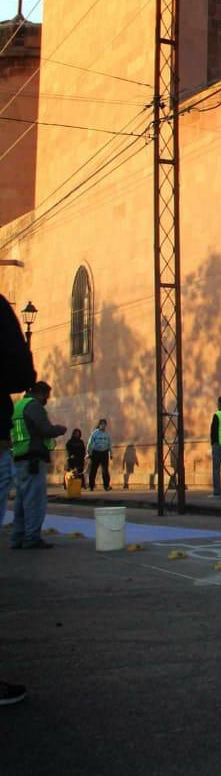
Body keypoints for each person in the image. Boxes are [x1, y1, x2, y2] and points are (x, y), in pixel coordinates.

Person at [0, 294, 37, 703]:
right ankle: (25, 537)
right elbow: (19, 370)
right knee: (30, 502)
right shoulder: (29, 405)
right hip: (25, 458)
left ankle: (22, 536)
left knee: (26, 504)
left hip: (22, 457)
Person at [10, 380, 66, 550]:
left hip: (19, 457)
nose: (46, 400)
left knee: (21, 502)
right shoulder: (34, 406)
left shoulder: (17, 406)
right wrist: (59, 429)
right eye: (46, 396)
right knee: (34, 501)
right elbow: (45, 429)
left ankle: (17, 538)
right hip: (33, 458)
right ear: (40, 393)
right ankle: (32, 538)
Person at [87, 418, 112, 491]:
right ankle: (91, 486)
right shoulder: (94, 433)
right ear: (99, 425)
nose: (103, 426)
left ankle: (106, 486)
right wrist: (88, 452)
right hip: (96, 453)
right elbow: (90, 443)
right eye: (102, 424)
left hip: (104, 453)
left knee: (105, 470)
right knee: (93, 470)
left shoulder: (107, 434)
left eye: (104, 424)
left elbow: (109, 444)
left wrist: (111, 453)